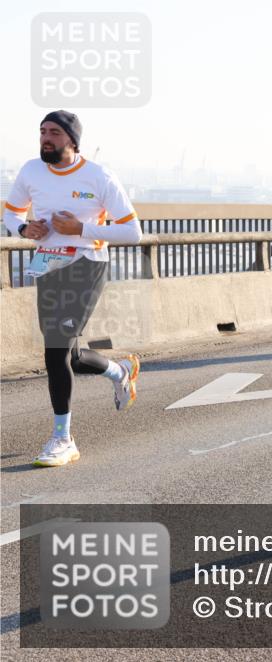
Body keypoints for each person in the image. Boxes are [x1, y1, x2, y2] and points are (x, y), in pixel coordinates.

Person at [3, 111, 142, 467]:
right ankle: (119, 372)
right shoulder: (31, 170)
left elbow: (132, 232)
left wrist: (80, 230)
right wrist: (24, 230)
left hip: (86, 266)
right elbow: (11, 214)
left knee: (55, 351)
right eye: (42, 131)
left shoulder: (99, 176)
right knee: (71, 357)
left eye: (54, 132)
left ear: (72, 140)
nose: (45, 138)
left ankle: (62, 439)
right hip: (47, 265)